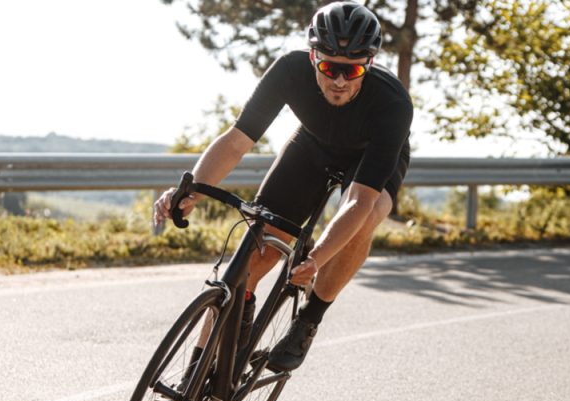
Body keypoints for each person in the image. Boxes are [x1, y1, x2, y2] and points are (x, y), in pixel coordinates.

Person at [153, 1, 412, 373]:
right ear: (312, 56)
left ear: (369, 64)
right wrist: (193, 189)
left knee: (369, 214)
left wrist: (316, 259)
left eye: (352, 70)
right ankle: (197, 369)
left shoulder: (393, 103)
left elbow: (357, 200)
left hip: (369, 157)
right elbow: (237, 141)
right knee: (256, 246)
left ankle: (309, 319)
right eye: (328, 67)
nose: (339, 80)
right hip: (312, 145)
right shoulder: (289, 70)